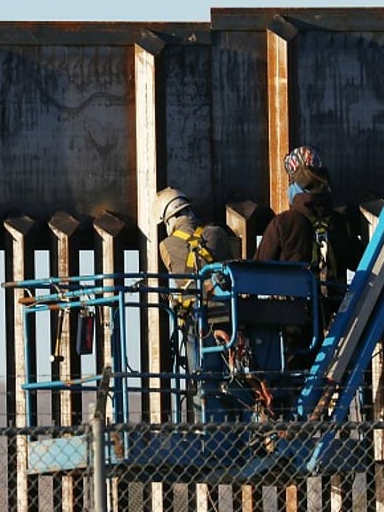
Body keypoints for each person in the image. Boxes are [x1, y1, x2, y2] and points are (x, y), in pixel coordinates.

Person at [254, 146, 363, 360]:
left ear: (296, 185)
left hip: (292, 323)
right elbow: (359, 260)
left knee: (291, 383)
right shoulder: (340, 224)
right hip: (335, 320)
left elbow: (258, 269)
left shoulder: (284, 223)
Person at [152, 187, 241, 420]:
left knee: (201, 378)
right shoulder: (217, 234)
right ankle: (236, 427)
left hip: (196, 323)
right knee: (233, 377)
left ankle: (208, 431)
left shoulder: (167, 246)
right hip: (227, 317)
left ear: (169, 219)